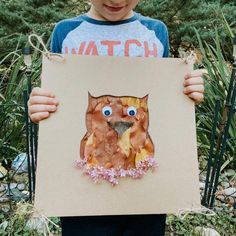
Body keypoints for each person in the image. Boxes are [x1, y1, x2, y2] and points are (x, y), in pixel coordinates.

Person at [28, 1, 204, 235]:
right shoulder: (66, 32)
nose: (116, 0)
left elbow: (162, 99)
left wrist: (187, 91)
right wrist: (41, 106)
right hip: (81, 195)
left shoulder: (155, 32)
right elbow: (59, 100)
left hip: (144, 195)